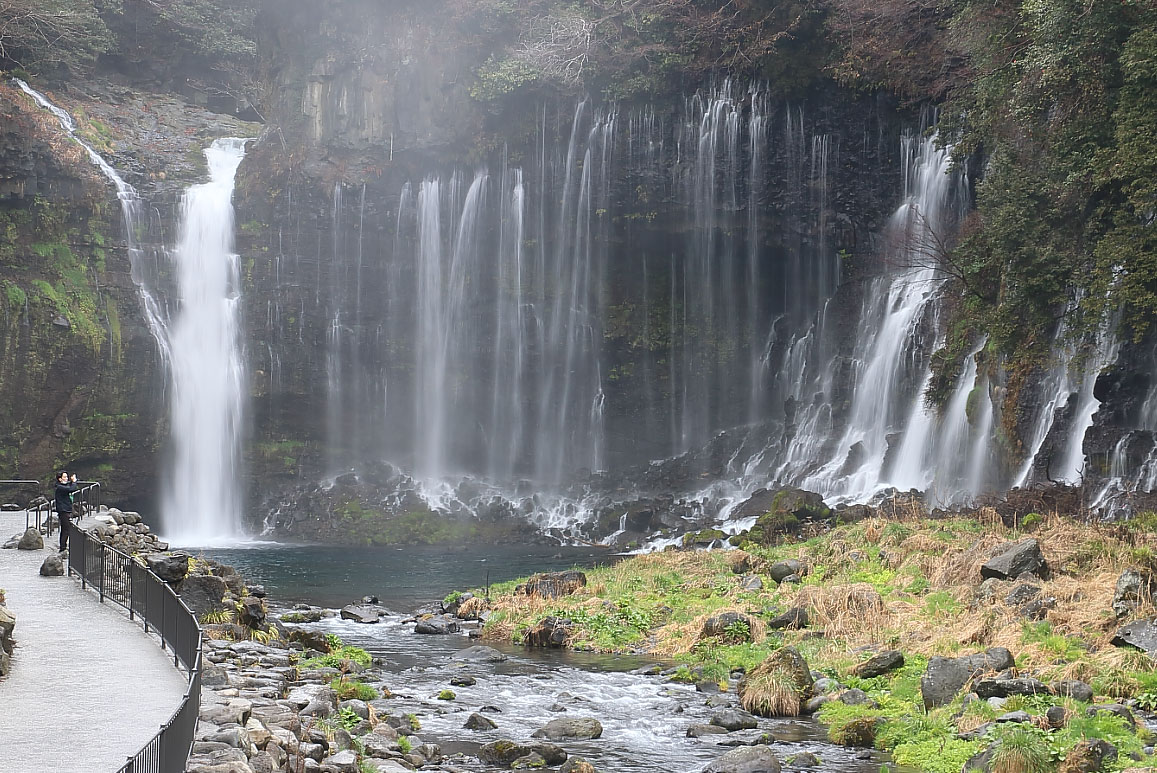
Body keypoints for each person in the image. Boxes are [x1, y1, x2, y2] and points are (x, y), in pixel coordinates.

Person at [54, 471, 79, 554]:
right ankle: (62, 547)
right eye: (64, 477)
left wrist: (72, 481)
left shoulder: (62, 486)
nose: (66, 479)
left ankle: (63, 546)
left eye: (67, 477)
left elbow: (69, 487)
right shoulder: (59, 487)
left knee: (65, 529)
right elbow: (70, 489)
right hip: (63, 510)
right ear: (60, 479)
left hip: (65, 509)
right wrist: (74, 482)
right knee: (66, 529)